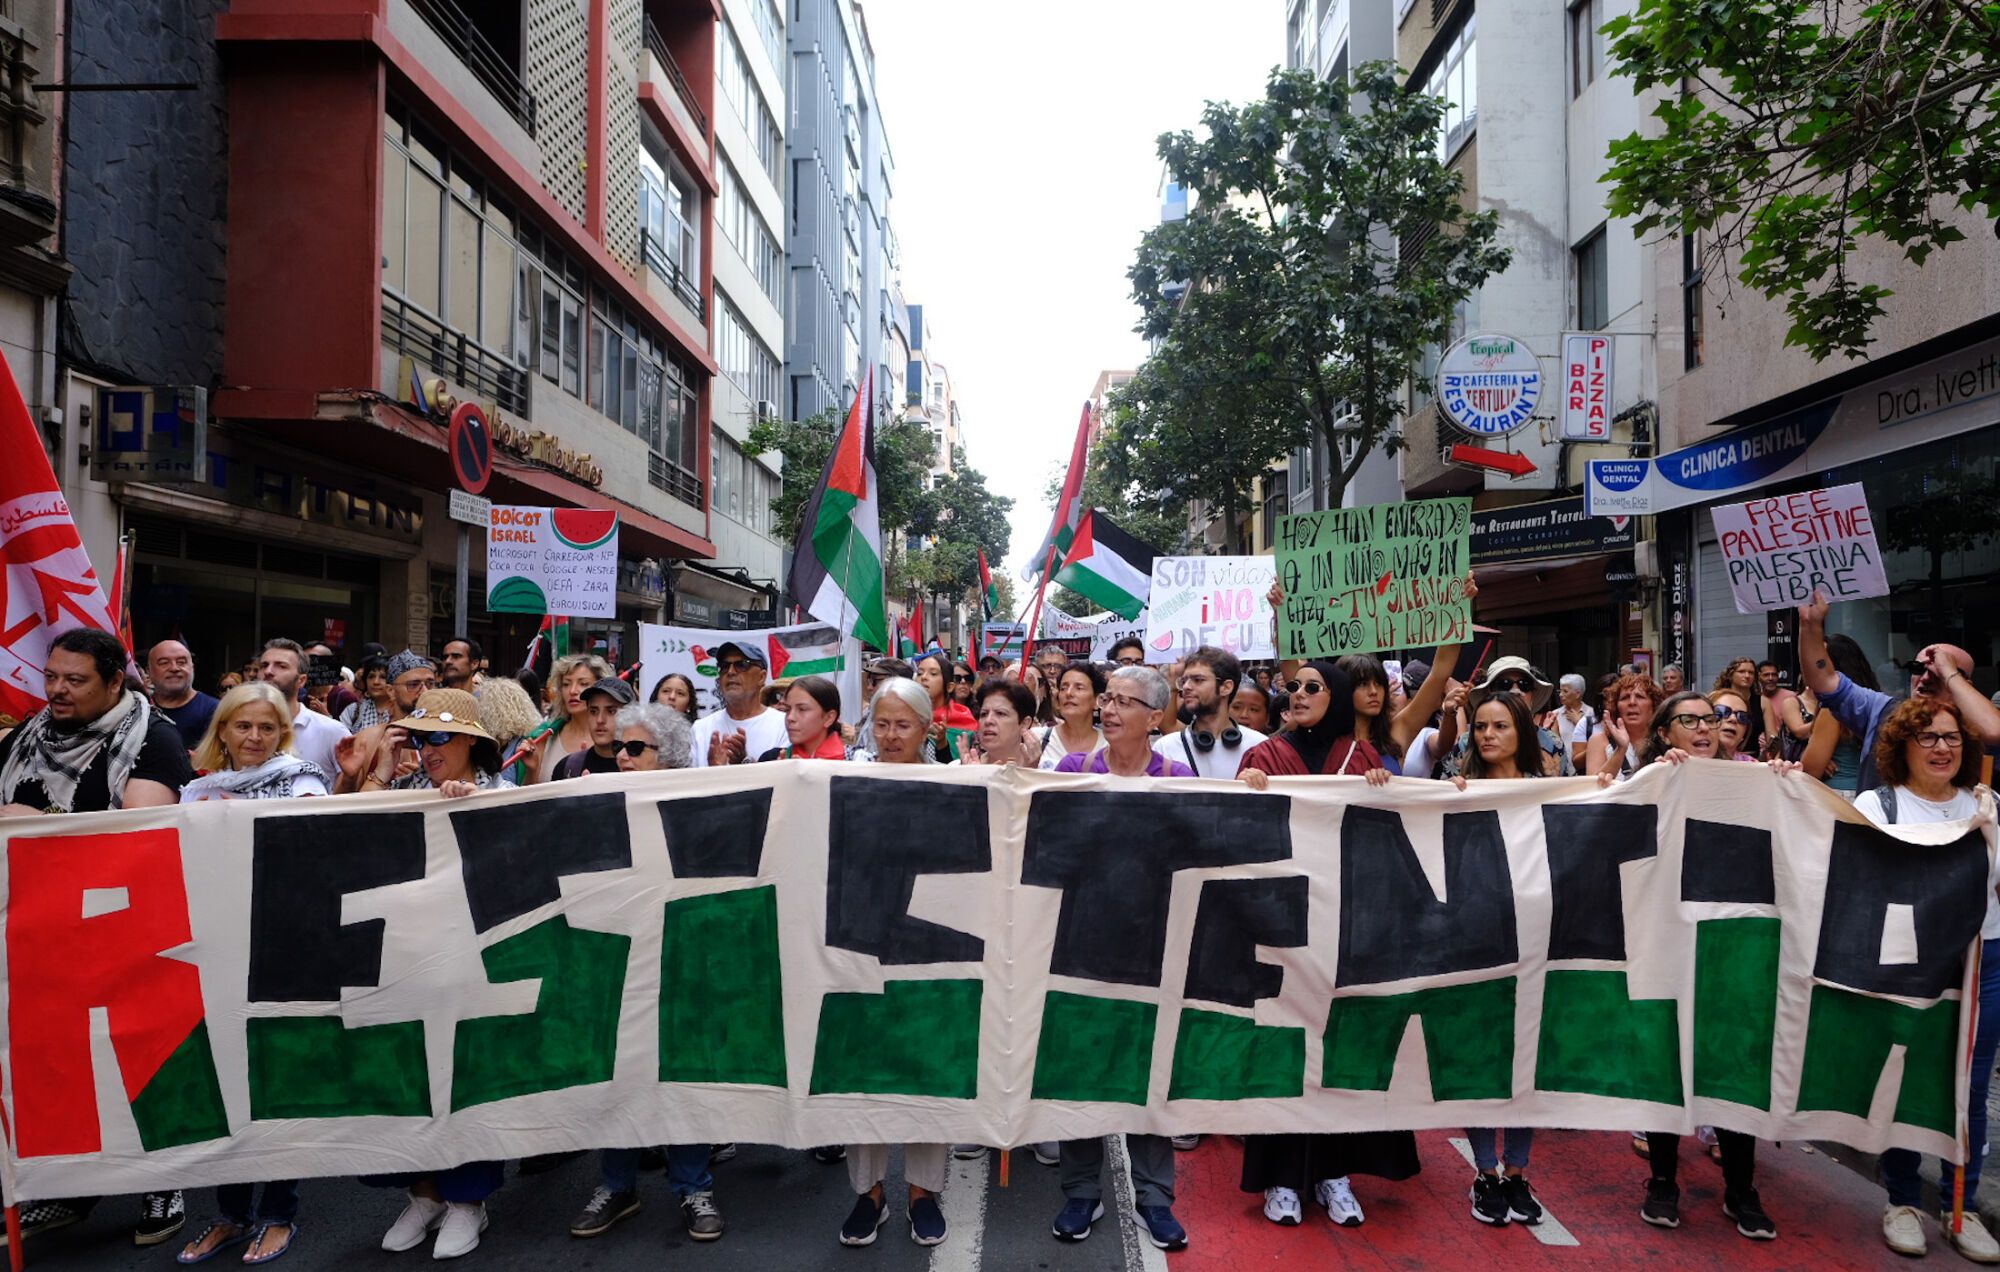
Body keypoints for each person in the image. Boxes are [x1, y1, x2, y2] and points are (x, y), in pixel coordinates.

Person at [3, 628, 193, 1245]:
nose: (56, 690)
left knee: (137, 1057)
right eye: (52, 677)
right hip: (41, 933)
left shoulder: (154, 740)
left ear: (114, 683)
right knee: (57, 1063)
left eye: (74, 680)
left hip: (124, 929)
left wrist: (37, 825)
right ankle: (69, 1189)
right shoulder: (25, 739)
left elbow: (138, 831)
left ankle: (163, 1182)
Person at [1614, 689, 1784, 1240]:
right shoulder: (1650, 781)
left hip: (1734, 949)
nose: (1707, 728)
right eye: (1689, 721)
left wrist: (1784, 779)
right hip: (1666, 942)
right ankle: (1662, 1181)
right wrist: (1655, 777)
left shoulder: (1759, 780)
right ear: (1666, 734)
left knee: (1733, 1065)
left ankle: (1742, 1189)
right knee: (1666, 1062)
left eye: (1713, 719)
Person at [173, 682, 325, 1265]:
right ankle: (231, 1216)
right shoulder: (197, 790)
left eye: (267, 727)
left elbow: (314, 858)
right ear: (224, 733)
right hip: (216, 954)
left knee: (277, 1086)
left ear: (282, 731)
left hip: (285, 955)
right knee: (225, 1089)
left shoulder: (303, 782)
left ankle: (279, 1214)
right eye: (243, 726)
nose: (255, 738)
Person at [1048, 663, 1192, 1252]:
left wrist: (1255, 787)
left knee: (1150, 1076)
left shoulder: (1181, 780)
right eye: (1106, 699)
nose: (1108, 709)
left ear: (1155, 718)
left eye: (1124, 702)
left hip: (1155, 951)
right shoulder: (1070, 772)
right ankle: (1081, 1193)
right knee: (1082, 1074)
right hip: (1080, 947)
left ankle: (1154, 1200)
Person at [563, 709, 716, 1244]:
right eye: (620, 748)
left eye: (635, 748)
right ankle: (618, 1184)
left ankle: (694, 1186)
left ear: (668, 760)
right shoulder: (596, 801)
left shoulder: (697, 810)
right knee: (620, 1072)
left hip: (680, 962)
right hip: (614, 963)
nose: (621, 756)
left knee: (681, 1074)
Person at [1859, 699, 2000, 1262]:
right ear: (1902, 747)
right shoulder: (1877, 805)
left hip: (1984, 962)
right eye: (1927, 737)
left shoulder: (1988, 803)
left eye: (1951, 737)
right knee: (1905, 1082)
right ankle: (1901, 1201)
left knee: (1970, 1087)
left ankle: (1959, 1208)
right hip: (1909, 965)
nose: (1942, 748)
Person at [836, 676, 951, 1248]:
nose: (889, 735)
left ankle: (923, 1192)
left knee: (927, 1069)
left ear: (926, 729)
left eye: (903, 724)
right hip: (860, 942)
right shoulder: (845, 783)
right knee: (864, 1071)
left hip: (933, 947)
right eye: (881, 723)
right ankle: (869, 1192)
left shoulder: (957, 786)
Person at [1446, 692, 1548, 1229]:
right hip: (1475, 948)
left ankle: (1517, 1173)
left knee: (1526, 1063)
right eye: (1481, 726)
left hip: (1535, 945)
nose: (1488, 735)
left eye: (1500, 726)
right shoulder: (1455, 792)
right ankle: (1485, 1174)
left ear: (1522, 732)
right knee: (1482, 1063)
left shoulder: (1553, 791)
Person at [1798, 589, 2000, 792]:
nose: (1926, 677)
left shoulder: (1972, 726)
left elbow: (1994, 730)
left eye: (1937, 672)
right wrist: (1810, 625)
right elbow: (1824, 680)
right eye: (1918, 668)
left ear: (1963, 683)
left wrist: (1949, 672)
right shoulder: (1882, 710)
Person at [1237, 663, 1383, 787]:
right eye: (1294, 686)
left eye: (1312, 688)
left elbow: (1378, 816)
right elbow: (1244, 816)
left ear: (1336, 696)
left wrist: (1379, 783)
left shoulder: (1362, 757)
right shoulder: (1265, 755)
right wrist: (1243, 786)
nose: (1299, 693)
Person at [1440, 658, 1573, 777]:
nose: (1515, 692)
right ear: (1490, 694)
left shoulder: (1552, 742)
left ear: (1532, 695)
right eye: (1503, 684)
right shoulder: (1466, 743)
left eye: (1524, 684)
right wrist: (1452, 791)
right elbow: (1446, 798)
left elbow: (1567, 795)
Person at [330, 650, 438, 794]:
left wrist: (429, 780)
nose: (424, 691)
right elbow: (342, 807)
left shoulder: (447, 736)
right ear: (391, 691)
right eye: (413, 684)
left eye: (430, 683)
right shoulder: (367, 740)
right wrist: (350, 778)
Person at [256, 638, 349, 778]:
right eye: (264, 665)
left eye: (281, 666)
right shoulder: (241, 730)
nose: (268, 671)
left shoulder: (331, 731)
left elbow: (348, 790)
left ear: (301, 680)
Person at [691, 642, 789, 766]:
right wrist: (713, 772)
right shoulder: (700, 729)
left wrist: (742, 762)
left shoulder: (786, 725)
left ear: (761, 677)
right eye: (724, 666)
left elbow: (782, 780)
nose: (731, 672)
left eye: (742, 665)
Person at [529, 654, 613, 782]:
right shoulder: (544, 736)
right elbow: (529, 796)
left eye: (583, 684)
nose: (573, 691)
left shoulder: (618, 737)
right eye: (566, 684)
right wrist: (532, 770)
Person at [1585, 672, 1666, 780]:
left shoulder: (1667, 739)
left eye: (1640, 697)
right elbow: (1592, 788)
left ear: (1654, 705)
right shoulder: (1599, 740)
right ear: (1616, 706)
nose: (1632, 702)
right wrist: (1621, 750)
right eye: (1625, 698)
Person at [552, 677, 634, 778]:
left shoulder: (642, 768)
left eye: (611, 711)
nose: (600, 720)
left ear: (632, 715)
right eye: (593, 711)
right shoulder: (567, 768)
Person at [146, 639, 218, 752]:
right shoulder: (140, 710)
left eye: (181, 662)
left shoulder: (215, 711)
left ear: (192, 668)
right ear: (149, 672)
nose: (174, 668)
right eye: (164, 663)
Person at [757, 675, 851, 761]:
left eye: (802, 709)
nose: (790, 718)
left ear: (829, 718)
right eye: (787, 709)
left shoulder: (856, 760)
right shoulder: (771, 759)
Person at [1037, 661, 1106, 771]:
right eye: (1063, 688)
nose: (1068, 693)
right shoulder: (1038, 739)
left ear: (1096, 700)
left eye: (1079, 688)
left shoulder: (1109, 744)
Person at [913, 650, 977, 761]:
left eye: (933, 674)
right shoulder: (907, 717)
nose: (923, 677)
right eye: (919, 673)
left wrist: (942, 744)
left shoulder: (963, 720)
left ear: (949, 687)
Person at [962, 679, 1038, 767]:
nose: (988, 721)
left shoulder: (1048, 771)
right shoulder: (961, 768)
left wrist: (1030, 773)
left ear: (1025, 723)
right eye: (983, 714)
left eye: (1000, 713)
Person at [340, 654, 395, 733]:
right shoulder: (353, 710)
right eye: (371, 676)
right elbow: (342, 740)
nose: (376, 682)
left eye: (383, 677)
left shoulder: (401, 709)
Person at [1708, 686, 1761, 761]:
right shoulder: (1687, 758)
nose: (1733, 719)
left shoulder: (1753, 766)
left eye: (1742, 717)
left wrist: (1778, 770)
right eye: (1723, 711)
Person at [1556, 674, 1595, 768]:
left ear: (1578, 694)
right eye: (1560, 691)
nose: (1561, 695)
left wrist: (1580, 723)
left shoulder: (1592, 714)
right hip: (1562, 770)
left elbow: (1598, 743)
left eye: (1565, 691)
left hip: (1585, 768)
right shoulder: (1555, 715)